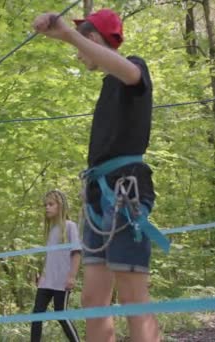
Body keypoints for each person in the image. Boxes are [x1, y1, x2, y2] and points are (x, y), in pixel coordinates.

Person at [33, 8, 170, 342]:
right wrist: (63, 36)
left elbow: (127, 70)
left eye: (82, 46)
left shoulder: (132, 70)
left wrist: (67, 34)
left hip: (125, 192)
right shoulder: (109, 87)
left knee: (132, 296)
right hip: (99, 194)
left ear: (93, 39)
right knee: (94, 300)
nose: (80, 56)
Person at [31, 190, 81, 342]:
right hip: (47, 281)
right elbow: (49, 257)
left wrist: (72, 276)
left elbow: (77, 253)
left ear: (60, 206)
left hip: (62, 280)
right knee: (37, 315)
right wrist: (42, 275)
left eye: (51, 204)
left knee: (61, 315)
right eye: (45, 205)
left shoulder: (70, 226)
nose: (47, 207)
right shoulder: (51, 230)